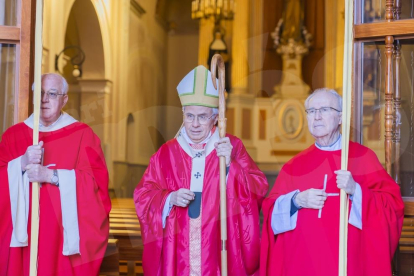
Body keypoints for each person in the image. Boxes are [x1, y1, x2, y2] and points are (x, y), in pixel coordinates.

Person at [134, 65, 269, 276]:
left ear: (215, 118)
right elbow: (143, 194)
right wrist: (169, 199)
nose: (195, 124)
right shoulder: (166, 152)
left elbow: (259, 187)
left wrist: (230, 167)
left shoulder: (230, 146)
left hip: (216, 243)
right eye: (189, 116)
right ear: (183, 114)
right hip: (177, 247)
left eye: (202, 117)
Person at [260, 88, 404, 276]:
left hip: (348, 262)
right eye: (311, 111)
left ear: (340, 118)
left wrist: (356, 190)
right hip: (303, 265)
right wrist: (297, 200)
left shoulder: (363, 158)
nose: (317, 116)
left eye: (324, 110)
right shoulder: (294, 166)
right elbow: (270, 212)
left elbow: (392, 207)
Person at [0, 73, 111, 275]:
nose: (44, 99)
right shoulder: (13, 136)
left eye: (52, 94)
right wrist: (21, 164)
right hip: (23, 237)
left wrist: (51, 176)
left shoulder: (82, 135)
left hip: (60, 236)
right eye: (40, 93)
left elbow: (96, 185)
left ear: (64, 99)